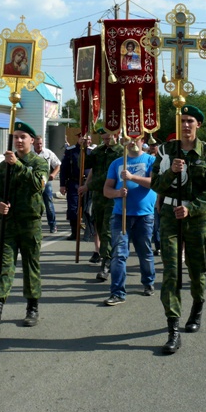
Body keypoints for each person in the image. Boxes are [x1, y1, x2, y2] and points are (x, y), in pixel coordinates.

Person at [151, 105, 206, 354]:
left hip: (196, 218)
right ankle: (173, 329)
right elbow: (156, 184)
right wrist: (171, 172)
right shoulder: (166, 151)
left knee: (196, 269)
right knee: (171, 271)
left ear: (198, 125)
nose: (186, 124)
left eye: (190, 120)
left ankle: (197, 307)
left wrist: (192, 208)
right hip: (169, 216)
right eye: (182, 120)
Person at [0, 121, 48, 334]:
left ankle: (32, 308)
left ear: (32, 141)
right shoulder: (3, 165)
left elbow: (37, 185)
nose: (19, 140)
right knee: (2, 267)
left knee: (30, 266)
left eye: (23, 137)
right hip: (7, 225)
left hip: (30, 224)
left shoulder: (39, 163)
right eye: (16, 137)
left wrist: (18, 165)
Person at [102, 137, 157, 305]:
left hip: (144, 215)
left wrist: (132, 177)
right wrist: (117, 193)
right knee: (118, 254)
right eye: (129, 139)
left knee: (145, 251)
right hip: (121, 214)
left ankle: (148, 281)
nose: (133, 142)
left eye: (137, 139)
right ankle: (118, 292)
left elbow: (154, 183)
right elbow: (106, 190)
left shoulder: (151, 160)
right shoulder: (117, 163)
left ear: (143, 141)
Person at [83, 127, 123, 278]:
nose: (106, 141)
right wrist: (83, 147)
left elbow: (108, 175)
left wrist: (88, 186)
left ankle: (106, 262)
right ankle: (111, 255)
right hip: (98, 196)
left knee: (107, 228)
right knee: (99, 226)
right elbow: (86, 164)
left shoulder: (120, 152)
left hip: (113, 195)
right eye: (104, 138)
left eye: (108, 138)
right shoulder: (99, 151)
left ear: (117, 135)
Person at [59, 133, 91, 242]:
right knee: (73, 209)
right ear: (79, 138)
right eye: (84, 138)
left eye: (88, 139)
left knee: (87, 209)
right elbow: (63, 169)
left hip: (88, 183)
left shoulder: (91, 152)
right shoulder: (71, 151)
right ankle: (74, 232)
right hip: (74, 183)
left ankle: (89, 231)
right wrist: (62, 185)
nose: (86, 141)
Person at [33, 135, 61, 233]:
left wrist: (53, 174)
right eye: (37, 144)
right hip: (33, 183)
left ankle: (53, 225)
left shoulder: (48, 153)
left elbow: (58, 164)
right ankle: (36, 227)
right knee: (35, 205)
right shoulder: (30, 154)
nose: (39, 145)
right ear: (33, 143)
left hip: (46, 182)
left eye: (40, 143)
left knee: (48, 205)